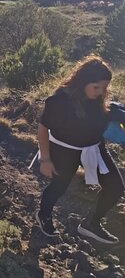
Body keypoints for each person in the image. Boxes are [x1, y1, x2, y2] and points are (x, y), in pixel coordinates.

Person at [32, 56, 124, 244]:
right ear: (83, 82)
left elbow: (107, 117)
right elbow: (43, 128)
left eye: (104, 88)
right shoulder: (59, 102)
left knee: (115, 187)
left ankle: (91, 223)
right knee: (59, 187)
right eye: (96, 87)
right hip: (64, 150)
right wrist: (46, 159)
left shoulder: (99, 102)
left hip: (93, 149)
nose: (101, 93)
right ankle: (44, 215)